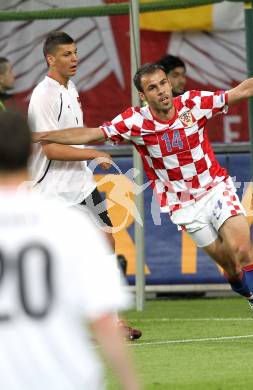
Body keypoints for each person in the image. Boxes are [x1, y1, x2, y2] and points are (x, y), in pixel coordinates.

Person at [34, 40, 253, 346]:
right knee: (230, 266)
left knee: (243, 249)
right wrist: (42, 134)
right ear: (143, 95)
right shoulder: (135, 122)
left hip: (215, 188)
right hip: (183, 206)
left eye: (163, 83)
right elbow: (92, 133)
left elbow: (240, 91)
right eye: (153, 87)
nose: (162, 90)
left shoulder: (193, 104)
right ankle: (252, 299)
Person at [0, 110, 140, 390]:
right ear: (31, 151)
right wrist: (130, 384)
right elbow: (102, 319)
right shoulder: (72, 225)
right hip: (69, 377)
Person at [28, 31, 141, 340]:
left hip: (80, 185)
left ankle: (112, 323)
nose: (74, 58)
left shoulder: (71, 87)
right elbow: (49, 148)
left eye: (75, 52)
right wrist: (94, 153)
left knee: (107, 244)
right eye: (67, 54)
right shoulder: (44, 95)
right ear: (51, 59)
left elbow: (73, 135)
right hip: (52, 190)